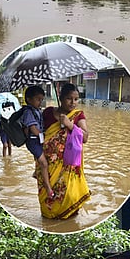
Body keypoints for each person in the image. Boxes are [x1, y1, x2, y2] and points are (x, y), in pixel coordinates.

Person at [38, 83, 90, 219]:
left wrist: (70, 125)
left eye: (76, 99)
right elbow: (39, 133)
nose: (73, 103)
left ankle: (70, 220)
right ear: (60, 98)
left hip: (68, 165)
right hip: (47, 163)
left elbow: (85, 137)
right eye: (69, 99)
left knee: (70, 195)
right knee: (47, 195)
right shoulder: (48, 113)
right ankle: (49, 221)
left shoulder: (78, 115)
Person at [21, 85, 55, 202]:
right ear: (29, 99)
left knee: (44, 158)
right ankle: (48, 187)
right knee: (44, 163)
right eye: (38, 99)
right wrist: (45, 136)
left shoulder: (37, 110)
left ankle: (36, 172)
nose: (40, 102)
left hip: (37, 140)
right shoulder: (28, 112)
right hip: (33, 141)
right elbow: (34, 129)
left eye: (41, 99)